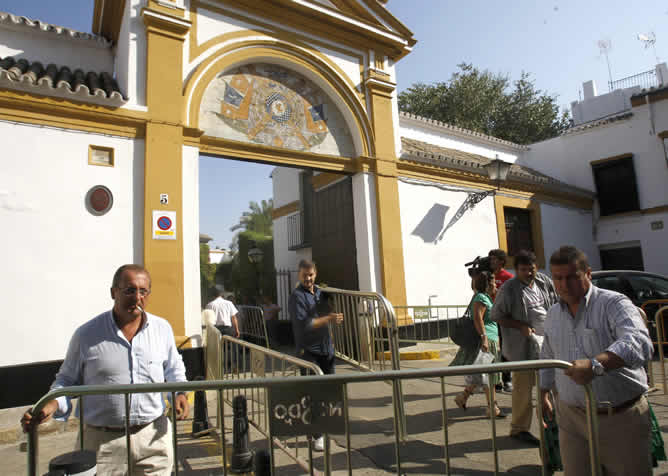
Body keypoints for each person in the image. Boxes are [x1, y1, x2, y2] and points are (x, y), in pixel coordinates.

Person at [21, 264, 189, 474]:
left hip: (153, 440)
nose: (137, 297)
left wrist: (180, 393)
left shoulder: (162, 329)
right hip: (103, 444)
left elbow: (174, 369)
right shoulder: (87, 334)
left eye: (143, 291)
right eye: (129, 290)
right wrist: (50, 405)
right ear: (113, 292)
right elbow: (66, 380)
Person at [540, 246, 653, 476]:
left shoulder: (613, 303)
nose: (564, 284)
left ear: (588, 274)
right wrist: (542, 391)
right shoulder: (553, 313)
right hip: (571, 419)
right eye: (558, 278)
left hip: (619, 419)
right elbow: (548, 353)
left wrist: (596, 364)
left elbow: (639, 342)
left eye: (572, 277)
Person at [491, 249, 558, 445]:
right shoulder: (509, 289)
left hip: (547, 344)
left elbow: (555, 302)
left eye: (532, 269)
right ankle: (519, 429)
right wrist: (520, 326)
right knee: (523, 390)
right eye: (524, 270)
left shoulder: (543, 282)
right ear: (516, 269)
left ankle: (552, 426)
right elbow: (496, 315)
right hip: (522, 349)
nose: (529, 273)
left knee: (551, 386)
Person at [288, 259, 343, 451]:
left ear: (315, 273)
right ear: (299, 274)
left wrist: (331, 335)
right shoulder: (296, 297)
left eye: (311, 275)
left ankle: (319, 428)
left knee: (328, 392)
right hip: (308, 352)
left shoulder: (320, 292)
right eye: (304, 275)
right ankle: (316, 435)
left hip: (325, 349)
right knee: (313, 394)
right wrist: (329, 318)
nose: (308, 279)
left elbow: (324, 320)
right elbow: (307, 325)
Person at [452, 271, 506, 418]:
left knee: (484, 374)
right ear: (488, 284)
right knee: (490, 375)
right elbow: (478, 318)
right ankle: (492, 408)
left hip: (491, 339)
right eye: (494, 282)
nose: (496, 285)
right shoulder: (481, 298)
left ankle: (463, 397)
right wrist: (484, 338)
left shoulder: (485, 297)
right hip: (487, 340)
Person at [488, 248, 514, 393]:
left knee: (504, 349)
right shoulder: (488, 275)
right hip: (489, 317)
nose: (491, 261)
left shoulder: (508, 277)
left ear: (502, 261)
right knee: (492, 350)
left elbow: (509, 298)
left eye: (494, 259)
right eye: (490, 259)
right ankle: (495, 380)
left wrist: (495, 291)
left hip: (503, 317)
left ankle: (507, 378)